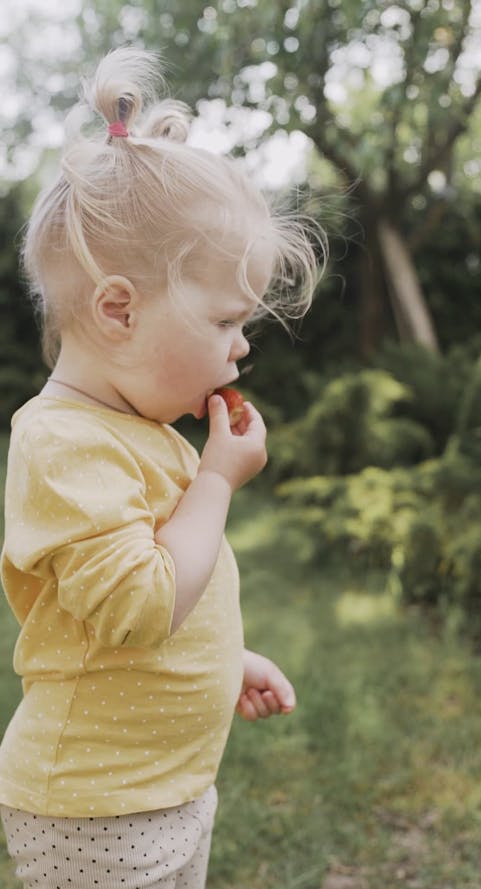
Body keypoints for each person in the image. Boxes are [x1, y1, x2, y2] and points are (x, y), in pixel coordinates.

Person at [0, 47, 324, 889]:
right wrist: (216, 481)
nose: (242, 344)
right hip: (91, 810)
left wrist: (226, 660)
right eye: (225, 319)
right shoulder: (63, 442)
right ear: (118, 308)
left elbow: (173, 593)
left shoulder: (146, 432)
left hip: (163, 792)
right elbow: (142, 604)